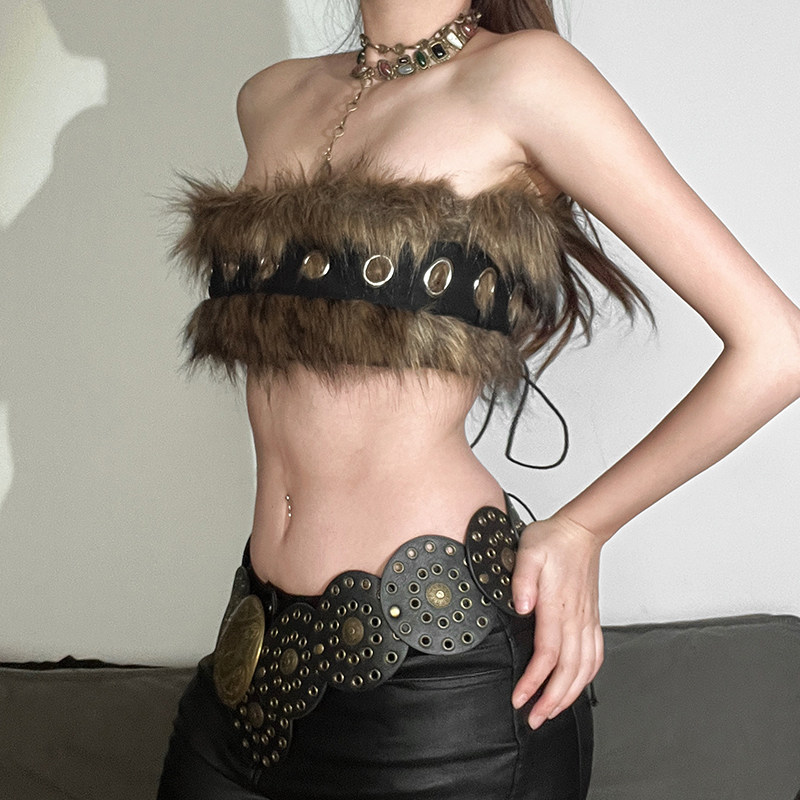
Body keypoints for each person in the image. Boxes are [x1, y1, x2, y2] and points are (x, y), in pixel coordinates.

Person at [156, 1, 800, 798]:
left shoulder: (525, 78)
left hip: (440, 685)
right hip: (249, 661)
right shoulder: (270, 97)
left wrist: (583, 529)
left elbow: (776, 346)